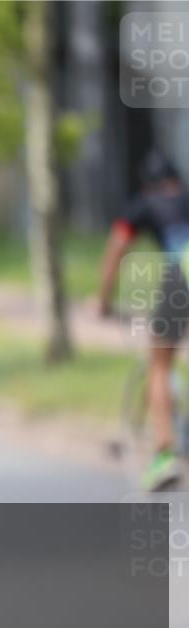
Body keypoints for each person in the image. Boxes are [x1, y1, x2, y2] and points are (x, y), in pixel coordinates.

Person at [99, 149, 189, 491]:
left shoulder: (142, 204)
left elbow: (115, 250)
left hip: (183, 271)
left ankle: (165, 455)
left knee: (159, 364)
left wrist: (103, 301)